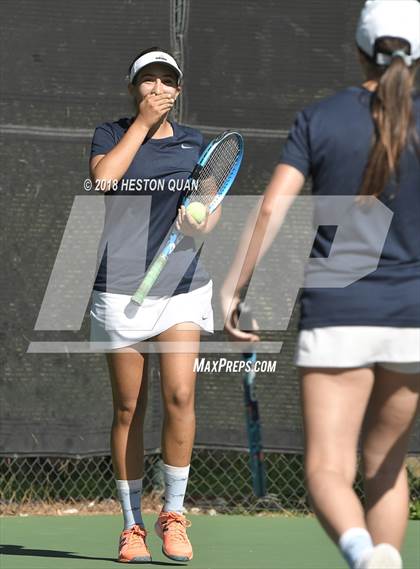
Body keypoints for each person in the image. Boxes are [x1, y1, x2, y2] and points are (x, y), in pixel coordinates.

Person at [221, 2, 420, 568]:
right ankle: (382, 559)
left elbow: (268, 211)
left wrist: (233, 289)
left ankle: (363, 555)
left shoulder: (320, 118)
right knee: (386, 467)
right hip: (413, 319)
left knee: (329, 469)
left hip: (338, 316)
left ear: (359, 49)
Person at [89, 47, 221, 563]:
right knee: (128, 407)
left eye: (167, 80)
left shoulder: (198, 146)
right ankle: (131, 526)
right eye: (148, 81)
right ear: (133, 89)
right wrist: (141, 126)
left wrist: (198, 222)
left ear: (179, 90)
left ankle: (173, 514)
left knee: (181, 396)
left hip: (182, 287)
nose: (158, 88)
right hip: (119, 289)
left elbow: (209, 213)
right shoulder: (110, 133)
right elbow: (105, 181)